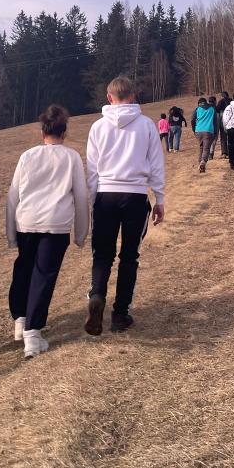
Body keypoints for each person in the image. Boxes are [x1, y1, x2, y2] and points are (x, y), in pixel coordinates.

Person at [5, 105, 89, 359]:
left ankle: (20, 319)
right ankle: (32, 333)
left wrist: (11, 234)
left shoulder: (27, 156)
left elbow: (13, 196)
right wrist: (81, 233)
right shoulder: (71, 157)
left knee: (24, 269)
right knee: (43, 276)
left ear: (42, 131)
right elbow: (81, 197)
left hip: (26, 222)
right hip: (56, 225)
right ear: (64, 132)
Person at [85, 76, 165, 336]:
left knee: (102, 254)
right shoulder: (147, 125)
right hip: (135, 196)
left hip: (106, 195)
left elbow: (92, 169)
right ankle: (120, 314)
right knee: (129, 256)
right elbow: (156, 164)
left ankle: (97, 295)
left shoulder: (98, 127)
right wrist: (160, 199)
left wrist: (93, 200)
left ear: (109, 98)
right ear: (133, 95)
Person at [190, 96, 218, 173]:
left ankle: (200, 163)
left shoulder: (197, 109)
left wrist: (194, 129)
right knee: (206, 148)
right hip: (208, 131)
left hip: (198, 131)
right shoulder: (212, 109)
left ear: (199, 103)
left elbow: (192, 120)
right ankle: (203, 162)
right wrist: (215, 132)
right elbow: (215, 122)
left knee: (201, 147)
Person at [216, 91, 231, 158]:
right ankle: (231, 152)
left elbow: (217, 109)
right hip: (231, 121)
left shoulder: (221, 101)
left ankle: (224, 153)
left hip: (223, 121)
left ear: (222, 96)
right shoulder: (231, 101)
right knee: (231, 137)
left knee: (223, 137)